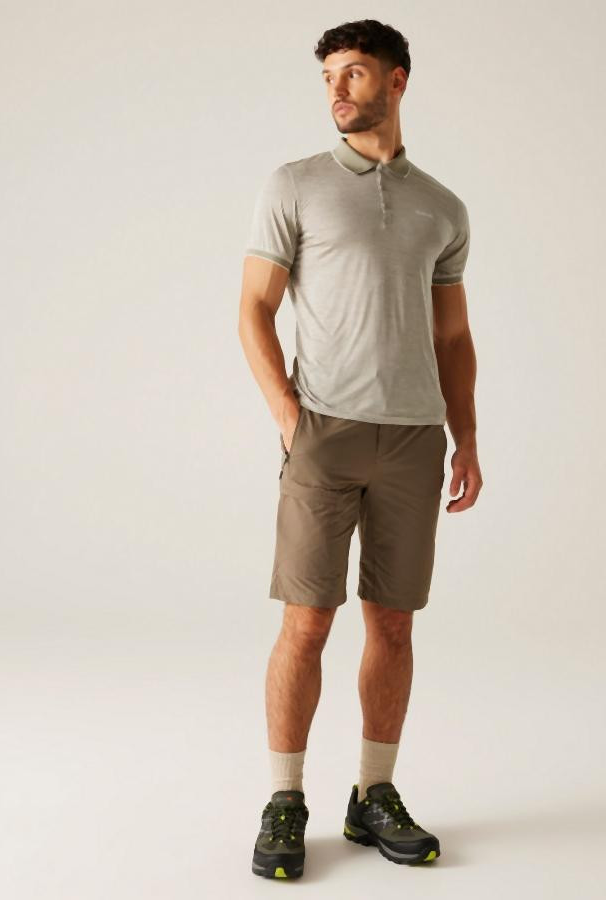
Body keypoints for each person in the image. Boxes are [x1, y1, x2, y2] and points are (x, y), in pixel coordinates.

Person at [238, 18, 483, 879]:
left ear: (396, 80)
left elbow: (453, 338)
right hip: (324, 433)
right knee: (306, 621)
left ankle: (372, 795)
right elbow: (254, 308)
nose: (338, 90)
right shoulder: (296, 185)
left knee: (394, 624)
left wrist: (467, 435)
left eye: (354, 74)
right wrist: (287, 413)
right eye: (329, 77)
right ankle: (285, 799)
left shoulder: (442, 207)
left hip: (415, 439)